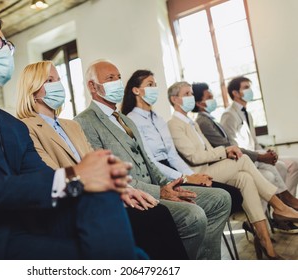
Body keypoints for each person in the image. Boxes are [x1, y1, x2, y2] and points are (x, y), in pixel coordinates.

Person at [0, 13, 140, 260]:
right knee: (130, 256)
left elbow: (43, 177)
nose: (5, 50)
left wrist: (101, 179)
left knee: (103, 194)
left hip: (26, 227)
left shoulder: (14, 126)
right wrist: (78, 174)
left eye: (7, 45)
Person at [15, 61, 188, 260]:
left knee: (157, 212)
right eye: (50, 80)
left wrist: (126, 189)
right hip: (76, 203)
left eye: (59, 80)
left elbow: (99, 165)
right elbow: (51, 175)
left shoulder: (71, 125)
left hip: (103, 193)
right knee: (154, 217)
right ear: (32, 88)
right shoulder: (25, 128)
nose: (58, 85)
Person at [74, 59, 231, 260]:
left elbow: (149, 161)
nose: (117, 82)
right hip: (136, 195)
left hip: (159, 187)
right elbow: (107, 174)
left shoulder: (125, 119)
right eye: (110, 78)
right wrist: (160, 192)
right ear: (92, 86)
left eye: (119, 77)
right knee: (194, 216)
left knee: (220, 198)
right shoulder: (85, 121)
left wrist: (171, 185)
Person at [167, 81, 298, 259]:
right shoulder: (174, 124)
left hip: (211, 168)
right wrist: (225, 151)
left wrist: (224, 153)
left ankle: (267, 246)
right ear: (175, 99)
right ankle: (279, 205)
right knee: (242, 158)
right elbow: (194, 157)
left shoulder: (192, 123)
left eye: (191, 93)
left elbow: (207, 152)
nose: (191, 97)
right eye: (187, 94)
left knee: (245, 178)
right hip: (199, 175)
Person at [121, 70, 243, 215]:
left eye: (155, 84)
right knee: (225, 196)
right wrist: (185, 177)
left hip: (175, 171)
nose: (155, 88)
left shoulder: (159, 119)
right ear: (136, 90)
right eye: (150, 85)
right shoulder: (131, 119)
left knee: (234, 195)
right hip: (158, 175)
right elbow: (150, 161)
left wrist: (192, 176)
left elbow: (172, 156)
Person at [192, 81, 298, 233]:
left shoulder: (212, 119)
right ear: (199, 102)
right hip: (230, 162)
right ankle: (278, 208)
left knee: (278, 166)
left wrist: (264, 153)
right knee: (267, 172)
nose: (213, 99)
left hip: (240, 156)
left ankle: (277, 213)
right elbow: (228, 146)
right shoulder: (209, 120)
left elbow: (244, 143)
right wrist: (260, 157)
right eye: (209, 97)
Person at [220, 77, 298, 201]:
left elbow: (255, 143)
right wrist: (261, 155)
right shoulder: (228, 115)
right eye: (245, 87)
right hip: (245, 158)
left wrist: (267, 152)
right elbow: (231, 145)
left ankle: (288, 203)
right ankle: (286, 200)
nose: (250, 90)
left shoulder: (248, 114)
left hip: (256, 154)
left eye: (249, 87)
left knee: (294, 162)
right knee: (281, 167)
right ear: (235, 93)